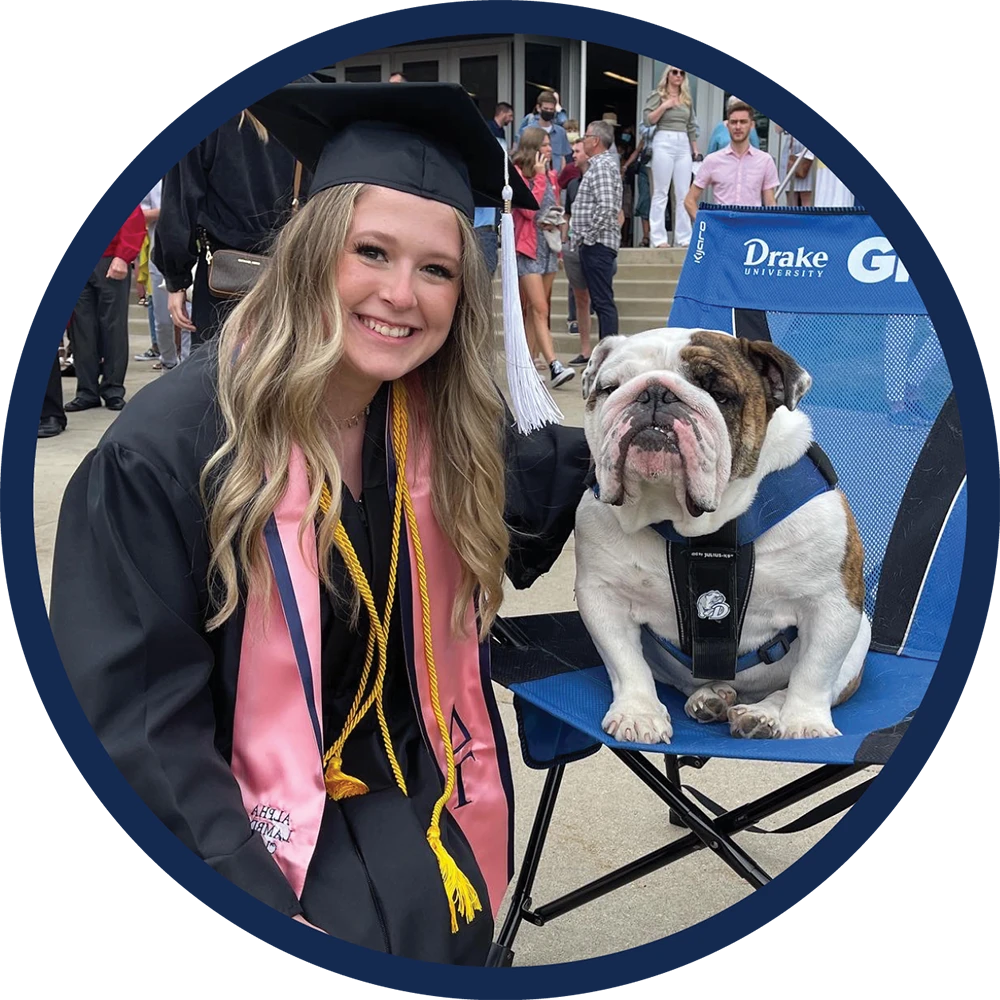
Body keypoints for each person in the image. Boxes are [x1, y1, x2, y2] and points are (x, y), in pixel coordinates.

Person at [49, 81, 591, 966]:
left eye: (437, 269)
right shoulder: (170, 452)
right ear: (310, 251)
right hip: (238, 813)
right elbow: (140, 730)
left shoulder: (444, 426)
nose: (401, 295)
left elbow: (573, 483)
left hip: (419, 779)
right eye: (370, 251)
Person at [152, 109, 310, 352]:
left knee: (213, 376)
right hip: (286, 274)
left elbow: (181, 199)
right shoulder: (302, 100)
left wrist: (176, 279)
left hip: (221, 275)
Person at [65, 204, 147, 412]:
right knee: (80, 329)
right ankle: (86, 391)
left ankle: (113, 388)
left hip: (110, 258)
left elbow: (132, 216)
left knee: (114, 327)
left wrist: (123, 255)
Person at [512, 127, 574, 388]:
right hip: (527, 248)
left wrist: (557, 226)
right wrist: (538, 178)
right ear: (534, 147)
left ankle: (529, 362)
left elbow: (550, 209)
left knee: (536, 310)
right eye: (546, 144)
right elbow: (528, 210)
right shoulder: (517, 172)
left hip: (547, 247)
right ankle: (554, 364)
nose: (550, 149)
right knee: (539, 308)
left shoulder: (550, 174)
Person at [684, 102, 779, 221]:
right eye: (734, 122)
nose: (738, 127)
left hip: (750, 229)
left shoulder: (765, 160)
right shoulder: (713, 160)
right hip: (722, 230)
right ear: (727, 125)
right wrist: (705, 226)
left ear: (752, 125)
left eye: (743, 122)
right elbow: (689, 200)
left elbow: (770, 204)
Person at [571, 120, 622, 340]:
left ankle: (610, 354)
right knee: (601, 302)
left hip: (598, 245)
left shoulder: (601, 166)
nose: (583, 140)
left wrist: (589, 237)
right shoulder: (601, 165)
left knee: (602, 302)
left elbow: (608, 206)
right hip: (596, 244)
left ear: (596, 141)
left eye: (586, 136)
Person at [642, 66, 699, 248]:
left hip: (683, 142)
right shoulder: (657, 95)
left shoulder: (686, 99)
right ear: (667, 74)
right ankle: (658, 239)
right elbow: (647, 120)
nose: (678, 76)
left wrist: (695, 150)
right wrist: (665, 105)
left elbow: (691, 126)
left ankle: (684, 238)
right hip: (663, 139)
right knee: (660, 192)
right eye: (675, 72)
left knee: (683, 193)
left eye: (682, 72)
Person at [138, 180, 179, 371]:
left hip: (193, 247)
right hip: (159, 250)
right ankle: (169, 363)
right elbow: (141, 216)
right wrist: (172, 208)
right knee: (163, 317)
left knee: (189, 318)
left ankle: (186, 362)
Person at [559, 138, 593, 364]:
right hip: (574, 247)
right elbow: (567, 216)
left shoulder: (600, 180)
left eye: (577, 151)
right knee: (580, 297)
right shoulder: (572, 184)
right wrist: (563, 242)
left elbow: (617, 213)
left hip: (597, 247)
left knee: (598, 298)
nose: (573, 155)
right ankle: (585, 350)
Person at [515, 90, 572, 172]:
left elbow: (563, 158)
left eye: (551, 109)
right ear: (538, 108)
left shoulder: (560, 132)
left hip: (555, 178)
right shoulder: (527, 131)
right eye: (546, 108)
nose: (548, 111)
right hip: (532, 177)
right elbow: (520, 157)